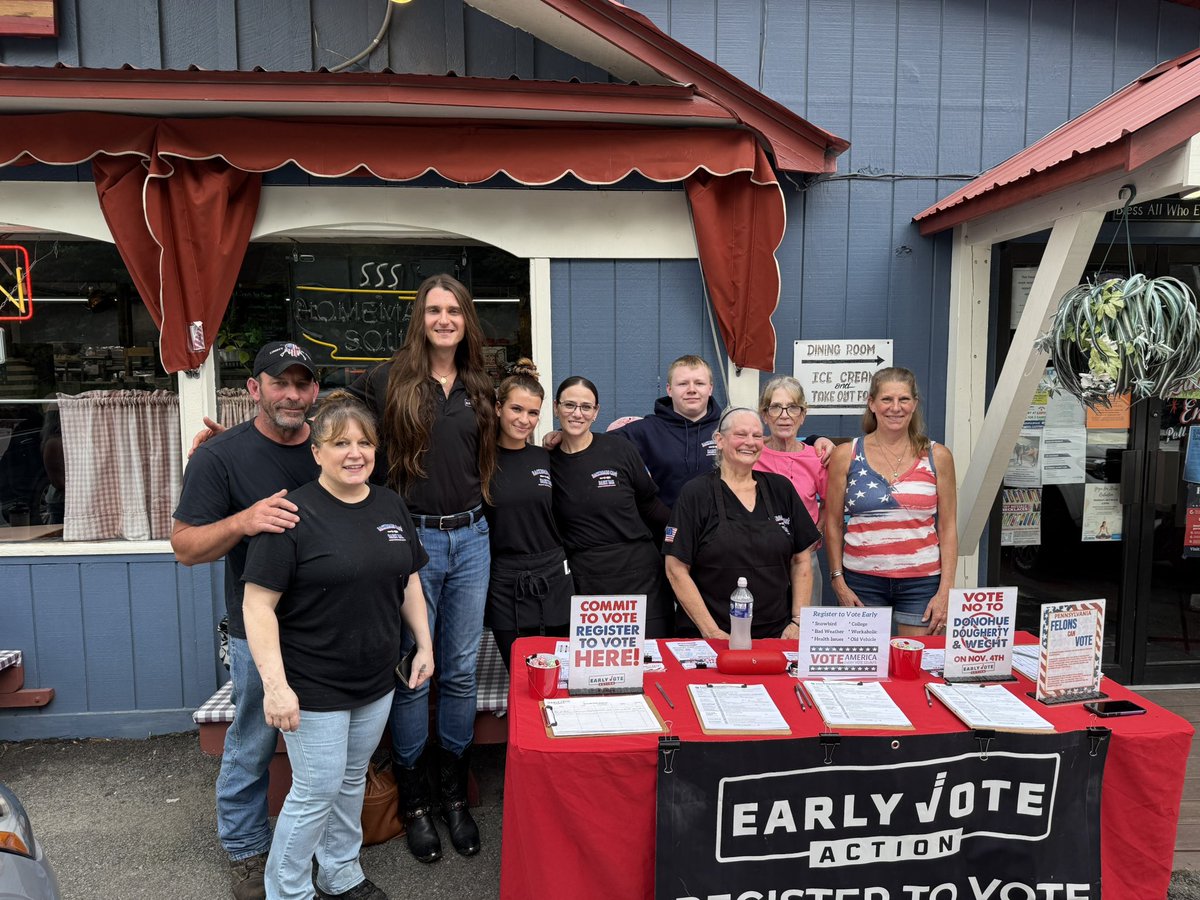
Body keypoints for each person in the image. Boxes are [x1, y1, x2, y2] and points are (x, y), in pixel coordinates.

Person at [242, 391, 434, 900]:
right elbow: (257, 606)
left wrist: (425, 645)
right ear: (317, 452)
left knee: (351, 780)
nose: (355, 452)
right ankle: (287, 891)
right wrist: (275, 687)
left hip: (375, 678)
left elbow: (409, 581)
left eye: (364, 442)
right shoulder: (291, 514)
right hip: (313, 683)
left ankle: (340, 871)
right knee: (314, 792)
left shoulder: (390, 503)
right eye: (340, 442)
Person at [348, 273, 494, 863]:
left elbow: (507, 441)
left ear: (466, 320)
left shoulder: (481, 383)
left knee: (458, 670)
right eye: (433, 310)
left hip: (474, 539)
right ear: (420, 318)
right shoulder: (386, 380)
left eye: (453, 310)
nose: (443, 319)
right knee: (415, 671)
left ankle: (453, 796)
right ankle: (415, 804)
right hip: (413, 543)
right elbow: (336, 433)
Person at [171, 340, 320, 900]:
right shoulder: (220, 456)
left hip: (329, 628)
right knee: (254, 739)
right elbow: (185, 547)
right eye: (279, 382)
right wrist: (245, 520)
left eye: (302, 383)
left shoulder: (333, 446)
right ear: (254, 388)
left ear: (314, 392)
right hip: (260, 627)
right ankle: (245, 850)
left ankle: (323, 845)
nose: (291, 393)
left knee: (329, 741)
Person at [823, 367, 959, 637]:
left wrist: (946, 591)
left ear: (914, 404)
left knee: (915, 668)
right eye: (886, 399)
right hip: (862, 581)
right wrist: (838, 580)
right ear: (871, 403)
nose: (895, 408)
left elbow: (948, 527)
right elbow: (832, 524)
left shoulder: (938, 456)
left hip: (922, 582)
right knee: (863, 669)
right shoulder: (845, 455)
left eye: (904, 399)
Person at [664, 407, 820, 639]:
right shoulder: (696, 493)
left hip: (776, 635)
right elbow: (675, 568)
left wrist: (798, 621)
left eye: (757, 436)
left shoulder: (781, 489)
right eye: (741, 434)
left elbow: (801, 559)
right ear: (719, 440)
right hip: (712, 637)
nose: (750, 442)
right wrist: (711, 632)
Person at [549, 375, 674, 637]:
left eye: (586, 407)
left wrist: (687, 532)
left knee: (653, 662)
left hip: (642, 575)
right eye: (569, 405)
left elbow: (650, 506)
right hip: (588, 581)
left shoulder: (619, 448)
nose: (577, 413)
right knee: (600, 668)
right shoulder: (546, 461)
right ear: (556, 408)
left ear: (596, 413)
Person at [484, 359, 573, 669]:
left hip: (553, 574)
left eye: (533, 412)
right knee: (520, 673)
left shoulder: (547, 456)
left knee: (559, 671)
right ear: (498, 408)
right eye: (516, 409)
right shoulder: (480, 462)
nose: (524, 419)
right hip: (506, 578)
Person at [755, 376, 829, 604]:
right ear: (765, 415)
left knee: (805, 625)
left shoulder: (817, 457)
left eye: (793, 407)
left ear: (803, 415)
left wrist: (819, 529)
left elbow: (829, 501)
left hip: (805, 555)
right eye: (776, 407)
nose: (784, 415)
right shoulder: (753, 453)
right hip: (761, 557)